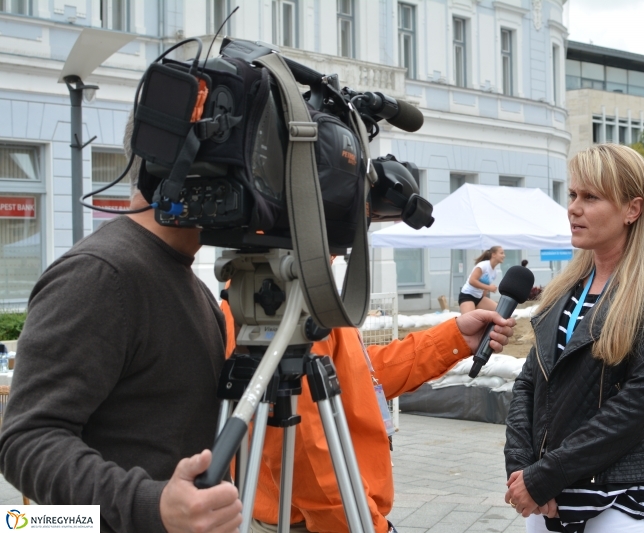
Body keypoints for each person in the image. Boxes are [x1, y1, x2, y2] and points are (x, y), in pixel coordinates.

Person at [0, 116, 243, 533]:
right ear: (179, 165)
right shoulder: (101, 273)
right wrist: (153, 506)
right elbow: (26, 441)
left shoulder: (192, 285)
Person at [504, 144, 644, 533]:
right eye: (573, 195)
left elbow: (639, 403)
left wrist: (544, 477)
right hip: (547, 502)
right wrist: (521, 468)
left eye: (590, 197)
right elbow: (529, 383)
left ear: (632, 209)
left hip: (621, 503)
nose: (573, 208)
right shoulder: (564, 288)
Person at [221, 301, 515, 533]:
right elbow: (305, 455)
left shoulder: (308, 286)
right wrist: (366, 525)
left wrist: (454, 337)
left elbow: (359, 375)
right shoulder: (284, 297)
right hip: (318, 522)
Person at [457, 246, 505, 313]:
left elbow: (484, 289)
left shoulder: (494, 272)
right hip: (467, 296)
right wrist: (489, 288)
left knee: (500, 312)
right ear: (493, 254)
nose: (504, 255)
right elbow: (472, 281)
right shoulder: (483, 265)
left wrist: (486, 293)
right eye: (501, 253)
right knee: (470, 319)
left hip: (479, 298)